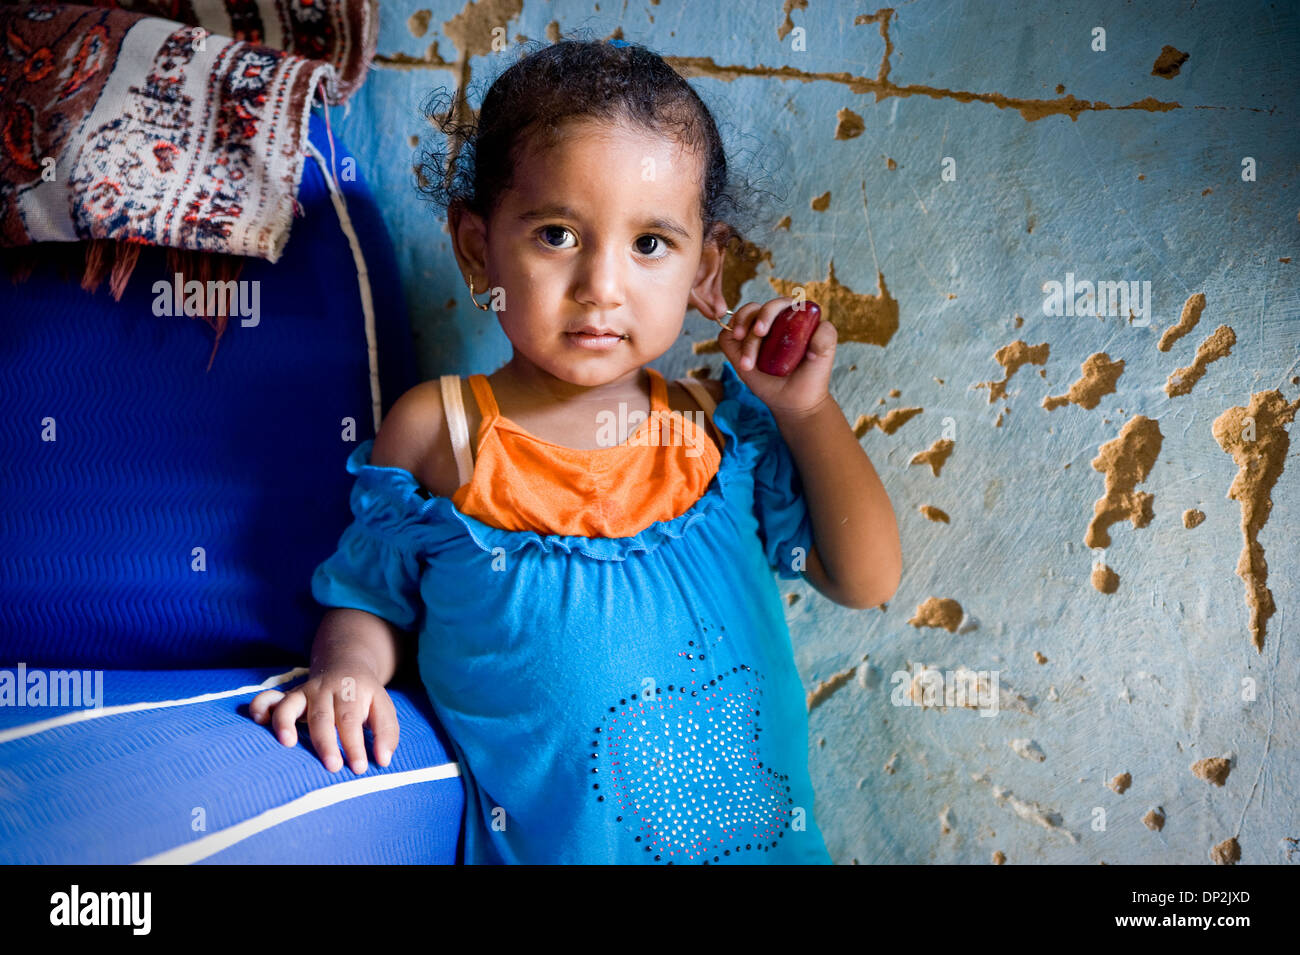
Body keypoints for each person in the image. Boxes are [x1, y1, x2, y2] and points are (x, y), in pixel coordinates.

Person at [250, 36, 901, 864]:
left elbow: (866, 577)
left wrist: (806, 412)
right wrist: (347, 670)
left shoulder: (718, 433)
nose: (602, 284)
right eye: (557, 234)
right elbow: (373, 596)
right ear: (478, 246)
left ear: (707, 266)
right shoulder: (441, 433)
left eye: (651, 245)